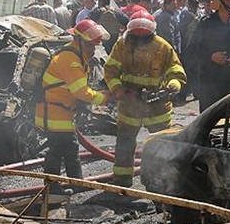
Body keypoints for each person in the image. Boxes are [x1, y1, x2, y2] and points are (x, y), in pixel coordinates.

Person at [104, 11, 187, 187]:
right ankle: (122, 181)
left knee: (161, 146)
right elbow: (110, 70)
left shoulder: (163, 47)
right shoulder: (122, 45)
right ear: (130, 33)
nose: (140, 41)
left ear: (152, 33)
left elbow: (176, 70)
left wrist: (173, 84)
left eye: (145, 37)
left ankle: (162, 184)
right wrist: (118, 89)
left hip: (157, 107)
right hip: (129, 105)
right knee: (125, 144)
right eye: (137, 37)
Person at [35, 19, 110, 180]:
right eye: (91, 45)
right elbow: (81, 92)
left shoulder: (74, 55)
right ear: (79, 41)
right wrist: (104, 99)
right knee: (60, 149)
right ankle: (55, 187)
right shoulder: (70, 60)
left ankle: (73, 184)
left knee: (66, 148)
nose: (93, 49)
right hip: (55, 114)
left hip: (59, 112)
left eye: (95, 45)